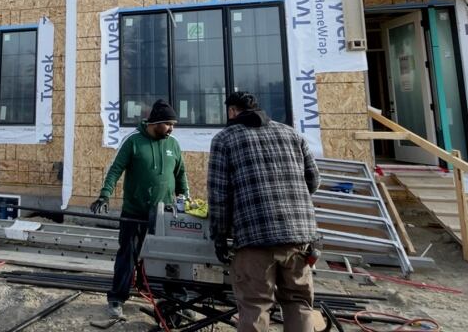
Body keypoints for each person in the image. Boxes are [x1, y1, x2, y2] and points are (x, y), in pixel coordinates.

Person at [207, 91, 320, 332]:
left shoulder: (225, 139)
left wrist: (219, 236)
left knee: (255, 304)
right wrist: (293, 205)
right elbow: (314, 180)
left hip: (254, 237)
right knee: (298, 301)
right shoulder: (291, 133)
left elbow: (219, 196)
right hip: (299, 238)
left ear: (232, 111)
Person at [90, 99, 190, 319]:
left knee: (171, 258)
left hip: (165, 215)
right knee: (127, 256)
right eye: (168, 124)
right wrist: (104, 194)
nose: (172, 128)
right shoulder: (133, 141)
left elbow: (180, 174)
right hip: (135, 213)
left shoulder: (172, 144)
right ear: (154, 123)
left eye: (173, 124)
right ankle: (116, 299)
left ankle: (177, 302)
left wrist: (186, 199)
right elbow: (115, 170)